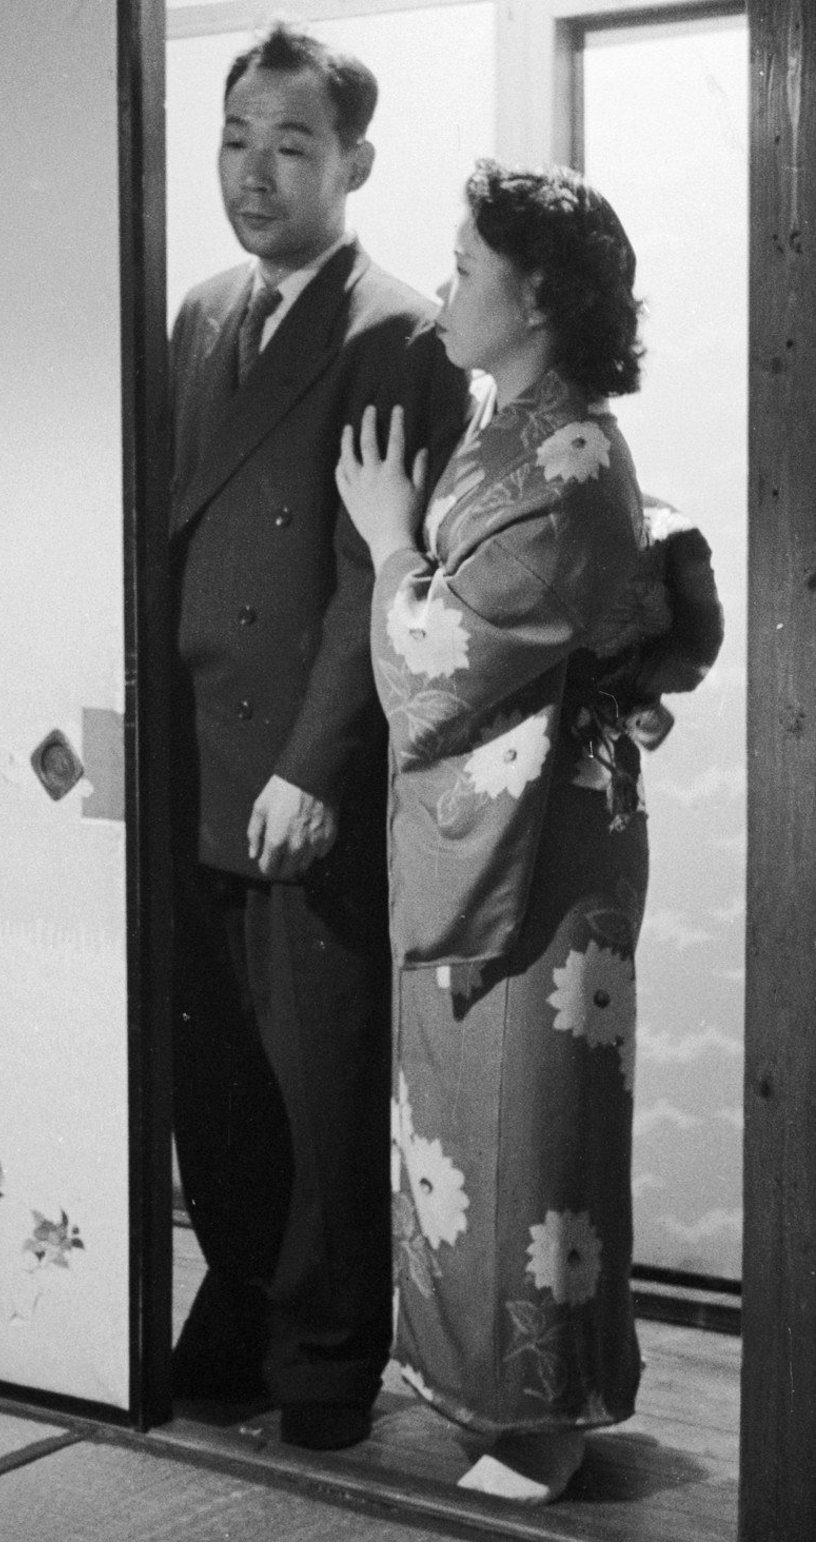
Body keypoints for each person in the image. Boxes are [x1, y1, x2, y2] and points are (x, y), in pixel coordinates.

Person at [336, 159, 722, 1501]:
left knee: (530, 1126)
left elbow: (441, 666)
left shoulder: (571, 457)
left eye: (462, 265)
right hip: (497, 830)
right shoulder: (523, 431)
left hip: (539, 853)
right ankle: (493, 1394)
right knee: (465, 1119)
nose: (443, 282)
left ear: (539, 293)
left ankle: (542, 1417)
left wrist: (391, 542)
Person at [168, 23, 470, 1451]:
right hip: (189, 765)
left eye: (292, 146)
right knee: (214, 1078)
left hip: (301, 771)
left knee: (323, 1078)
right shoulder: (200, 314)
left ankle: (328, 1365)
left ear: (353, 160)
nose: (257, 172)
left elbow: (376, 576)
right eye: (238, 140)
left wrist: (311, 762)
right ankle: (236, 1314)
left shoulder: (398, 330)